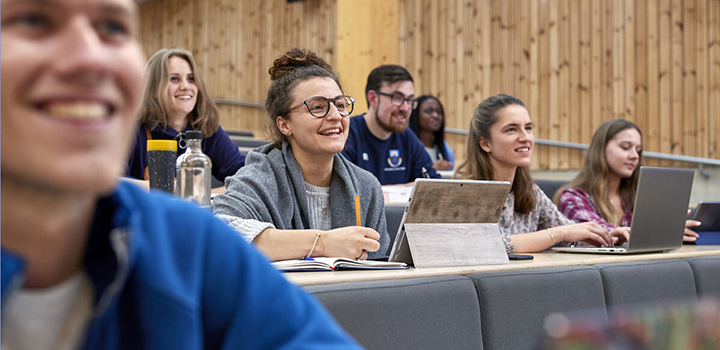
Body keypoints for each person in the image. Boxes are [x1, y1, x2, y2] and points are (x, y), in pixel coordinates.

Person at [0, 1, 362, 349]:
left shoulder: (187, 243)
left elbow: (238, 177)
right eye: (33, 20)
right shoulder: (144, 145)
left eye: (113, 27)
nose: (90, 57)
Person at [213, 49, 390, 261]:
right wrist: (323, 243)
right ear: (285, 125)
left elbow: (378, 267)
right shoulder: (259, 178)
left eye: (340, 105)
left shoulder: (366, 186)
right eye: (317, 107)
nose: (335, 116)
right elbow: (219, 234)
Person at [456, 94, 628, 253]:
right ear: (485, 144)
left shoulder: (530, 191)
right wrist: (560, 233)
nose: (525, 137)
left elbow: (570, 236)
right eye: (511, 129)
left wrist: (607, 236)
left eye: (528, 128)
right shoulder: (466, 192)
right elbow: (488, 246)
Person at [556, 118, 700, 242]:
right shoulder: (572, 197)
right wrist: (660, 232)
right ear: (601, 149)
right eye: (625, 147)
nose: (634, 156)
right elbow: (598, 233)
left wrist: (671, 229)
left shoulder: (637, 195)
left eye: (638, 150)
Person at [125, 48, 245, 184]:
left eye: (191, 79)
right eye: (174, 79)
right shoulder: (130, 131)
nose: (185, 86)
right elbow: (113, 184)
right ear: (153, 89)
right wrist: (176, 189)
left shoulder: (206, 129)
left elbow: (241, 172)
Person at [341, 64, 440, 185]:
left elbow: (432, 185)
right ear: (373, 99)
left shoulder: (407, 137)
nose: (405, 108)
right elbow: (348, 192)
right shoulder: (347, 134)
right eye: (397, 97)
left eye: (409, 100)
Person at [409, 95, 455, 170]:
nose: (435, 115)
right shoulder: (407, 147)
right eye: (429, 111)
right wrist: (431, 168)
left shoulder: (446, 150)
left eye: (439, 112)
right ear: (415, 115)